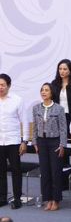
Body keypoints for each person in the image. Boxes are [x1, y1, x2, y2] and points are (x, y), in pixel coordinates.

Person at [31, 83, 68, 211]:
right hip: (41, 142)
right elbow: (35, 127)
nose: (44, 92)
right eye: (42, 90)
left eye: (46, 90)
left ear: (51, 93)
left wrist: (62, 144)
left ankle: (56, 199)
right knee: (45, 172)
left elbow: (63, 129)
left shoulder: (59, 108)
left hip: (55, 142)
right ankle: (48, 199)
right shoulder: (36, 108)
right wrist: (35, 143)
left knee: (55, 171)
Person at [0, 75, 28, 210]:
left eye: (3, 85)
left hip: (14, 141)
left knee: (16, 171)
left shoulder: (17, 100)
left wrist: (25, 141)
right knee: (1, 171)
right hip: (0, 141)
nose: (0, 87)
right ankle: (2, 198)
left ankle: (17, 198)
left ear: (9, 86)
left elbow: (25, 121)